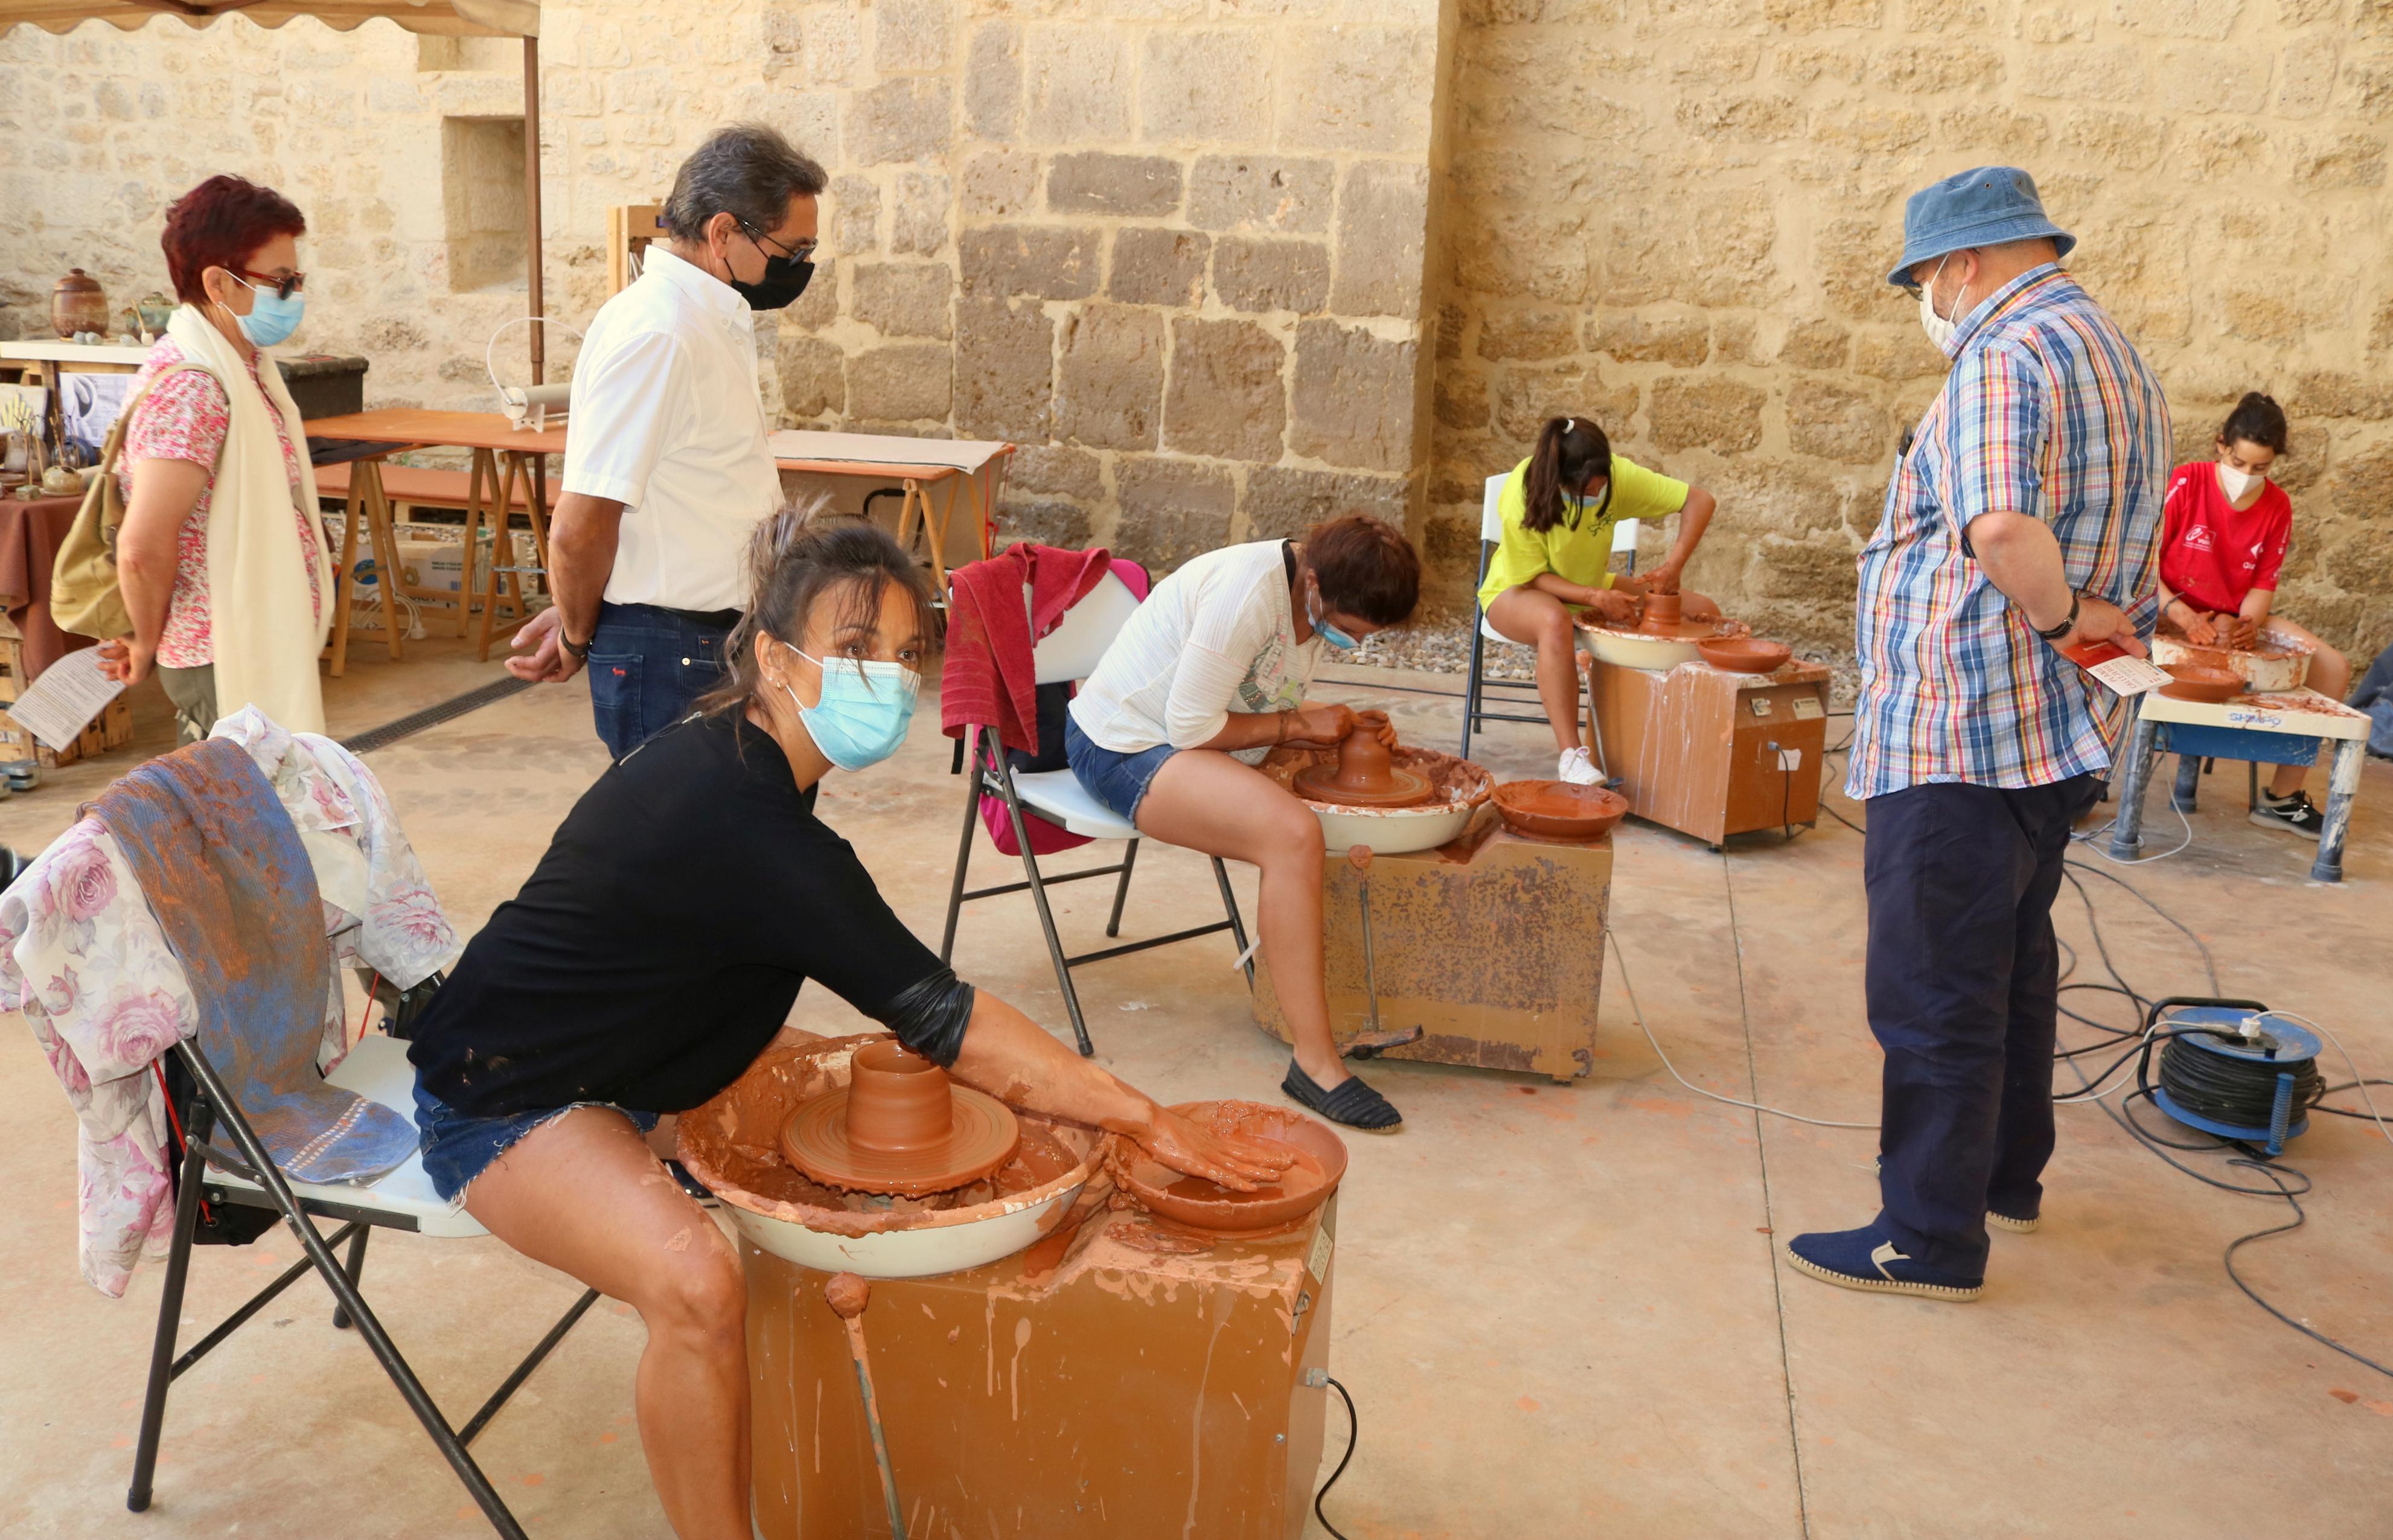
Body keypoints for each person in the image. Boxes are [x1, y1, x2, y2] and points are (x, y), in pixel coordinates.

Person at [409, 513, 1285, 1540]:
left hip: (628, 1058)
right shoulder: (740, 814)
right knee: (697, 1280)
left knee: (866, 1092)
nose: (891, 678)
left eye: (907, 654)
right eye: (857, 650)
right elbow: (947, 1017)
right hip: (505, 1092)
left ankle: (811, 1416)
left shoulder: (747, 760)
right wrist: (1142, 1119)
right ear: (777, 659)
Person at [1787, 166, 2170, 1302]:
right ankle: (2006, 1175)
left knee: (1935, 985)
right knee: (2010, 965)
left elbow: (2000, 523)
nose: (1926, 299)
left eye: (1923, 278)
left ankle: (1928, 1237)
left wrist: (2057, 614)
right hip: (2046, 735)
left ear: (1962, 264)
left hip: (1961, 722)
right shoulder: (2106, 346)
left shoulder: (1998, 356)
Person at [1064, 516, 1422, 1131]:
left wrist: (1339, 720)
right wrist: (1297, 727)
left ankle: (1308, 1027)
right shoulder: (1245, 595)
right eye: (1344, 630)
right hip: (1121, 745)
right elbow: (1192, 728)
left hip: (1183, 731)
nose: (1348, 644)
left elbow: (1256, 694)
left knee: (1317, 784)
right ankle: (1314, 1062)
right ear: (1313, 581)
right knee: (1292, 834)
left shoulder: (1309, 594)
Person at [506, 123, 826, 759]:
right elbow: (581, 524)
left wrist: (586, 616)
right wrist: (578, 634)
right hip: (676, 649)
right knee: (690, 849)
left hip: (711, 635)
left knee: (738, 842)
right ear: (723, 233)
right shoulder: (659, 334)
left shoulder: (700, 317)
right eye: (789, 252)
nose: (797, 269)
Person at [95, 175, 334, 741]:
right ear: (218, 285)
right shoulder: (194, 386)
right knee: (238, 819)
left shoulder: (240, 369)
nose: (294, 293)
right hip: (219, 653)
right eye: (281, 280)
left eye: (297, 279)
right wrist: (146, 641)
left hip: (252, 639)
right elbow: (142, 543)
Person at [1478, 415, 1719, 784]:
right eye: (1586, 492)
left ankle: (1689, 742)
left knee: (1705, 613)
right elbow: (1533, 576)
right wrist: (1594, 597)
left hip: (1589, 586)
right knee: (1553, 619)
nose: (1595, 497)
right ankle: (1572, 757)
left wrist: (1674, 566)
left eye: (1600, 489)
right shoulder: (1524, 490)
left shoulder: (1618, 476)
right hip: (1517, 591)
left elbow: (1699, 501)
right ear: (1560, 480)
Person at [2156, 392, 2347, 837]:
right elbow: (2141, 564)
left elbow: (2263, 584)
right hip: (2165, 607)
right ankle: (2083, 780)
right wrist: (2181, 615)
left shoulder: (2277, 505)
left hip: (2227, 618)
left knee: (2333, 667)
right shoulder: (2186, 482)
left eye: (2260, 469)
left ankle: (2280, 799)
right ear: (2220, 445)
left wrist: (2247, 626)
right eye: (2239, 463)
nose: (2246, 476)